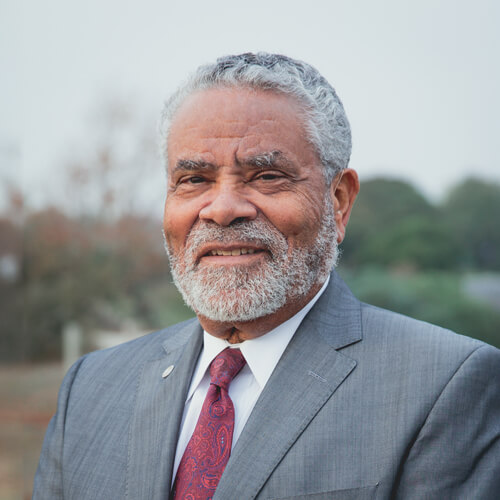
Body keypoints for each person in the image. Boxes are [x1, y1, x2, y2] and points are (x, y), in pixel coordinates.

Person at [33, 53, 500, 500]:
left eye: (267, 176)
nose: (222, 209)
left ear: (338, 201)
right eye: (194, 180)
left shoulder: (444, 386)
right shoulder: (91, 388)